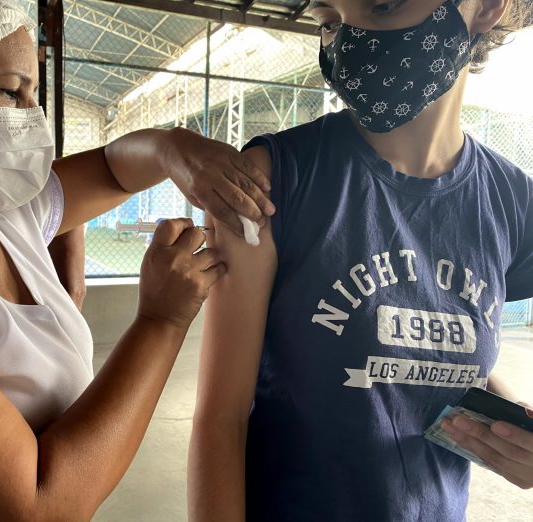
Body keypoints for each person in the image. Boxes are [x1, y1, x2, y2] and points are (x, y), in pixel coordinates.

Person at [0, 1, 277, 520]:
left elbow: (113, 171)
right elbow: (37, 506)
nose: (31, 117)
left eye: (33, 96)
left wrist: (172, 148)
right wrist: (162, 320)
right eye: (9, 92)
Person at [189, 0, 533, 520]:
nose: (349, 44)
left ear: (484, 7)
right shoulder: (270, 180)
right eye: (329, 20)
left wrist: (513, 429)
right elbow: (222, 420)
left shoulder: (513, 201)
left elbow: (447, 355)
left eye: (381, 6)